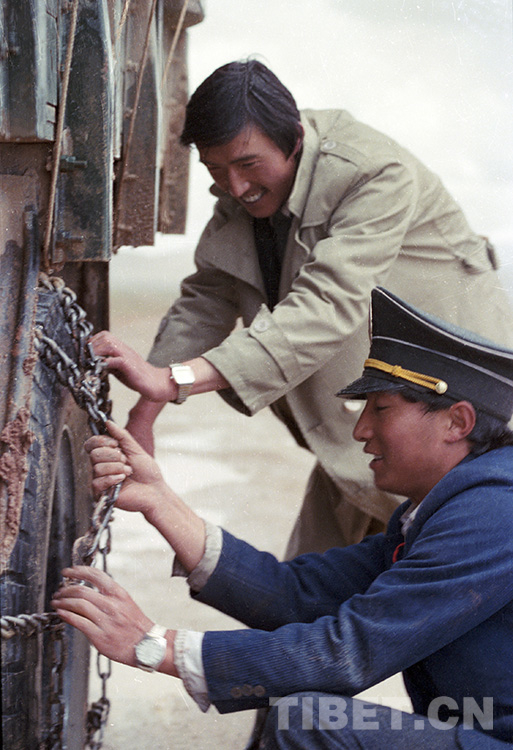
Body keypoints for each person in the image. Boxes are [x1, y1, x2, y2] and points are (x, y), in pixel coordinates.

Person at [54, 287, 513, 748]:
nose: (360, 430)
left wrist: (153, 644)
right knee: (306, 711)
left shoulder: (491, 515)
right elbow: (298, 593)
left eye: (381, 409)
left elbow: (348, 652)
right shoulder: (450, 508)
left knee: (309, 720)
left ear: (457, 422)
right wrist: (159, 500)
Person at [90, 59, 513, 557]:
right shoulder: (240, 196)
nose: (235, 187)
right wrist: (146, 410)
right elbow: (209, 298)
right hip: (364, 441)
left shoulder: (374, 173)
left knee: (434, 584)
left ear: (294, 139)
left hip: (460, 437)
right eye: (215, 170)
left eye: (248, 165)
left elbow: (326, 305)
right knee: (306, 587)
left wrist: (175, 379)